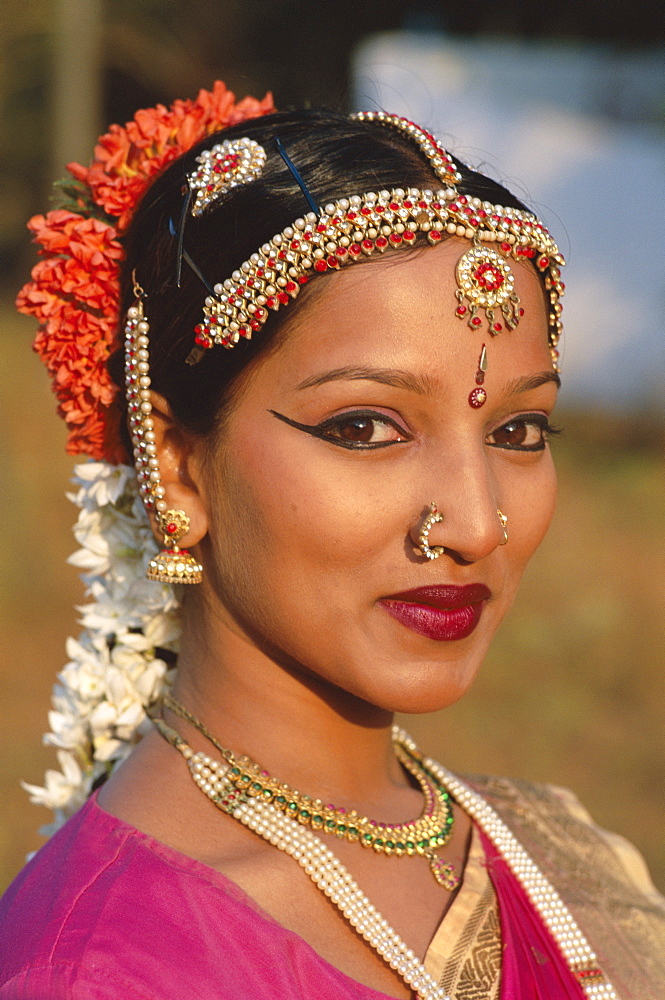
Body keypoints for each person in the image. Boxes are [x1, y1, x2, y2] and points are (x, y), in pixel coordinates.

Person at [0, 81, 663, 1000]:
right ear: (179, 466)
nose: (473, 526)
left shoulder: (568, 857)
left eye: (518, 432)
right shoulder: (109, 968)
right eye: (364, 428)